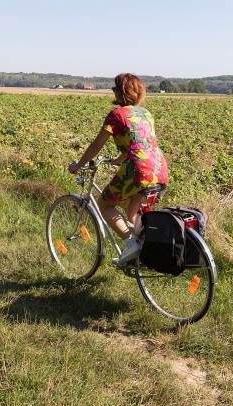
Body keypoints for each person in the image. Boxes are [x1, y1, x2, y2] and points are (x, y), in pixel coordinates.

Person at [69, 73, 170, 264]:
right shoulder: (145, 113)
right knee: (133, 212)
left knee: (105, 204)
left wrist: (78, 165)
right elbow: (138, 142)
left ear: (122, 92)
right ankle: (144, 254)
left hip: (138, 169)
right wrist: (118, 159)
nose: (113, 91)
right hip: (159, 167)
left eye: (115, 88)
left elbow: (95, 146)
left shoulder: (116, 115)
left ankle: (130, 244)